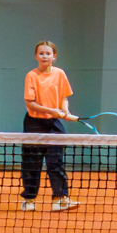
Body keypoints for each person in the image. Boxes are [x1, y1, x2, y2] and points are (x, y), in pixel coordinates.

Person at [19, 40, 79, 212]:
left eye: (48, 53)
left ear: (54, 56)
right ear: (36, 56)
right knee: (31, 163)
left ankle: (59, 199)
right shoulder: (32, 75)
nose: (44, 56)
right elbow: (30, 103)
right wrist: (52, 111)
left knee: (56, 162)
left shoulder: (60, 74)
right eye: (41, 53)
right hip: (34, 123)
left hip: (53, 124)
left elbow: (63, 97)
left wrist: (65, 112)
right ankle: (29, 200)